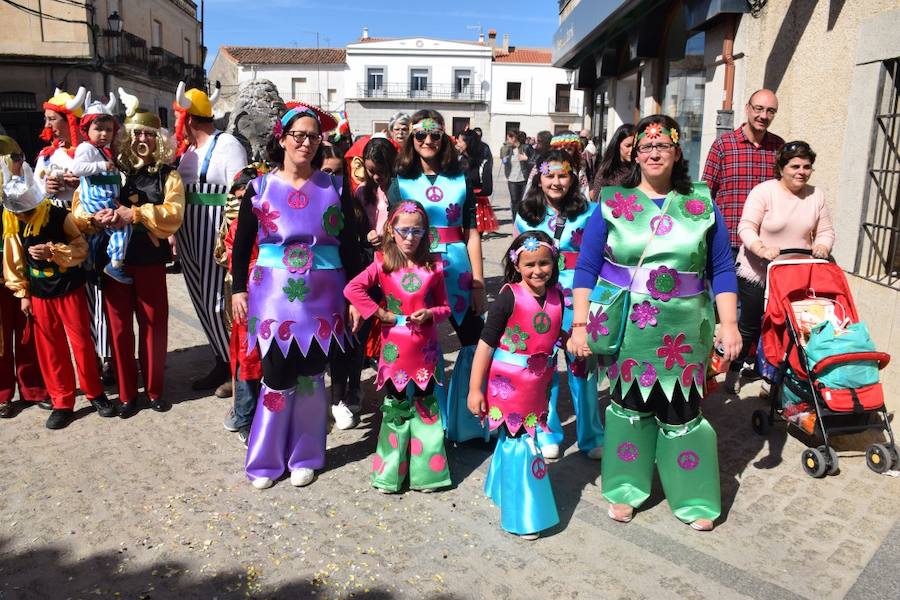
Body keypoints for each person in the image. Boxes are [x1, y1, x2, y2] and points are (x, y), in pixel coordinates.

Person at [569, 115, 741, 531]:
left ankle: (694, 495)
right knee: (630, 408)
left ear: (677, 152)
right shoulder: (611, 203)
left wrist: (730, 323)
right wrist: (578, 326)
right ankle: (625, 488)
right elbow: (587, 266)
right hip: (632, 328)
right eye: (646, 145)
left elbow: (721, 267)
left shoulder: (702, 205)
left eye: (663, 144)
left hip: (685, 330)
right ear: (635, 152)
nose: (654, 152)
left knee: (684, 412)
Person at [231, 102, 362, 489]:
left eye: (313, 136)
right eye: (298, 135)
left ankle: (306, 455)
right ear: (282, 138)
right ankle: (266, 458)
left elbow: (351, 245)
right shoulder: (258, 187)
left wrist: (354, 297)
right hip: (273, 293)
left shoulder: (335, 187)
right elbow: (242, 245)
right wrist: (238, 288)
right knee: (274, 374)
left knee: (309, 376)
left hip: (324, 294)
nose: (305, 143)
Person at [73, 89, 186, 417]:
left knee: (154, 324)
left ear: (159, 140)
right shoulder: (107, 166)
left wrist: (133, 215)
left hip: (149, 259)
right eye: (136, 133)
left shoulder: (169, 175)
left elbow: (173, 214)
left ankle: (154, 390)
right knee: (119, 327)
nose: (141, 140)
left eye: (148, 135)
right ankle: (126, 394)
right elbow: (79, 206)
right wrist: (93, 218)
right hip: (112, 263)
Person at [387, 109, 487, 443]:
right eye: (420, 135)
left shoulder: (462, 178)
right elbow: (393, 236)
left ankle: (468, 422)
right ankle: (424, 426)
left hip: (458, 269)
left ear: (443, 137)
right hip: (415, 271)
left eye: (434, 134)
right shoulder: (398, 182)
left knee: (473, 341)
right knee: (415, 343)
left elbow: (472, 233)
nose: (427, 140)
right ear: (411, 139)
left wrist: (478, 282)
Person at [344, 201, 452, 493]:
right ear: (391, 229)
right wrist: (378, 313)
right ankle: (391, 472)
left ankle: (427, 473)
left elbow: (446, 307)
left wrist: (431, 313)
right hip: (394, 351)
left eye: (417, 230)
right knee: (396, 406)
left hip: (426, 350)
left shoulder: (435, 266)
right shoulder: (382, 263)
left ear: (425, 232)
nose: (409, 237)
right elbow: (352, 289)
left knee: (427, 405)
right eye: (403, 230)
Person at [2, 148, 111, 429]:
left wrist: (54, 252)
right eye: (19, 213)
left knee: (82, 344)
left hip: (69, 288)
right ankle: (62, 400)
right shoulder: (13, 220)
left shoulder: (57, 215)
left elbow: (80, 247)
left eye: (26, 212)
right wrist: (22, 294)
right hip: (39, 295)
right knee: (50, 350)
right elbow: (13, 259)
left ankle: (95, 393)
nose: (23, 217)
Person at [468, 231, 563, 540]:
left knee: (518, 438)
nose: (538, 271)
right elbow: (485, 345)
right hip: (507, 387)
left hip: (538, 386)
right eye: (530, 264)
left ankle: (500, 485)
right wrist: (475, 388)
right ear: (517, 265)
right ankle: (522, 514)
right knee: (521, 442)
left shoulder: (558, 295)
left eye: (544, 263)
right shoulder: (509, 296)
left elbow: (554, 332)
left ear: (554, 262)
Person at [515, 150, 604, 460]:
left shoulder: (592, 211)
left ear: (573, 176)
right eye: (549, 175)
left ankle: (592, 435)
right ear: (539, 177)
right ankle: (546, 429)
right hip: (542, 300)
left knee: (583, 368)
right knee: (544, 367)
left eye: (562, 174)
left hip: (580, 298)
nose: (556, 181)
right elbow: (520, 261)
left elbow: (601, 256)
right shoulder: (526, 214)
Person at [725, 141, 834, 394]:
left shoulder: (815, 195)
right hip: (758, 270)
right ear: (781, 168)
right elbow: (746, 227)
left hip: (794, 273)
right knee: (751, 323)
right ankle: (735, 367)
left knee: (786, 327)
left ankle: (773, 377)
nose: (802, 171)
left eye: (807, 167)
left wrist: (822, 246)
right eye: (795, 166)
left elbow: (825, 231)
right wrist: (761, 248)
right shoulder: (764, 192)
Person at [174, 81, 248, 392]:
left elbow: (242, 192)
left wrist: (233, 239)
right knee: (201, 301)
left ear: (188, 118)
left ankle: (238, 368)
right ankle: (221, 360)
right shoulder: (188, 152)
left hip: (215, 233)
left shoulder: (228, 145)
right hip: (188, 233)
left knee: (219, 302)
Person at [329, 135, 399, 430]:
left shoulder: (399, 191)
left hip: (394, 270)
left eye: (380, 169)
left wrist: (386, 237)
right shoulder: (362, 194)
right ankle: (351, 388)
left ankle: (396, 388)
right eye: (370, 169)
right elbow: (353, 235)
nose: (375, 176)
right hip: (367, 270)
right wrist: (367, 237)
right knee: (357, 331)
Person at [0, 136, 50, 418]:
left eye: (19, 158)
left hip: (26, 271)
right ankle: (3, 393)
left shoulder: (26, 188)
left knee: (29, 333)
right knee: (1, 338)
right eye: (14, 159)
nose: (19, 163)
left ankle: (33, 388)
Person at [217, 165, 267, 444]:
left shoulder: (276, 221)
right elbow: (232, 254)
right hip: (247, 296)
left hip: (272, 297)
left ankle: (256, 413)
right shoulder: (237, 225)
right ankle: (245, 414)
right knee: (247, 356)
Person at [702, 89, 784, 254]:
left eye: (770, 111)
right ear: (747, 108)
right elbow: (705, 193)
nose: (764, 116)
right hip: (728, 241)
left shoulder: (779, 147)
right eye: (758, 108)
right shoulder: (723, 145)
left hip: (765, 243)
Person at [71, 92, 130, 285]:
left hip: (107, 201)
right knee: (122, 227)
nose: (104, 134)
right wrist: (100, 167)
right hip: (96, 201)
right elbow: (77, 169)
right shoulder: (86, 149)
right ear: (87, 129)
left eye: (108, 130)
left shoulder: (105, 151)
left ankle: (93, 258)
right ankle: (115, 263)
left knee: (110, 232)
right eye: (99, 129)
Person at [33, 87, 86, 210]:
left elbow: (115, 186)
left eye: (52, 119)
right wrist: (46, 189)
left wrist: (83, 184)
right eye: (45, 119)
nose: (47, 125)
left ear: (70, 120)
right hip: (57, 221)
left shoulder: (97, 152)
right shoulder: (47, 155)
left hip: (91, 220)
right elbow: (34, 193)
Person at [458, 129, 498, 235]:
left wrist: (470, 194)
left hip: (476, 205)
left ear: (468, 143)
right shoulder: (457, 160)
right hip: (458, 204)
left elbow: (487, 189)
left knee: (473, 237)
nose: (458, 144)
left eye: (460, 141)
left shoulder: (483, 164)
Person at [590, 124, 636, 200]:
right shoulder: (607, 171)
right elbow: (597, 200)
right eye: (628, 146)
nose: (631, 150)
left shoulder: (640, 169)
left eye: (634, 146)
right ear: (618, 145)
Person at [501, 130, 532, 217]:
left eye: (508, 139)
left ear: (514, 138)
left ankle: (523, 218)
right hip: (512, 179)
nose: (507, 141)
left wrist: (526, 159)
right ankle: (515, 220)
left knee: (524, 201)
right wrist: (505, 159)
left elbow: (535, 160)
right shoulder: (509, 149)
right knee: (514, 201)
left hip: (524, 179)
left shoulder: (526, 148)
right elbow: (504, 161)